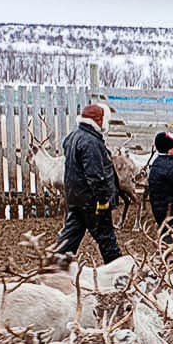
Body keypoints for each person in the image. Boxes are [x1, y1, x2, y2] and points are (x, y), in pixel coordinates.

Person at [54, 103, 122, 262]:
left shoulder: (73, 137)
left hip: (76, 199)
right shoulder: (91, 142)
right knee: (107, 240)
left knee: (69, 237)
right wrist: (103, 201)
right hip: (92, 202)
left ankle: (54, 266)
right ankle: (118, 274)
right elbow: (95, 176)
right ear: (99, 121)